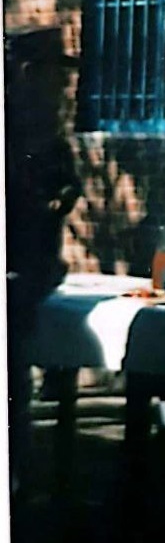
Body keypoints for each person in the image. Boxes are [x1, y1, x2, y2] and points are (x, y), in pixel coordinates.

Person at [4, 24, 82, 494]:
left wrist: (63, 195)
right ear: (29, 73)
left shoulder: (48, 132)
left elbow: (68, 179)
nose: (62, 87)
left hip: (35, 274)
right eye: (55, 76)